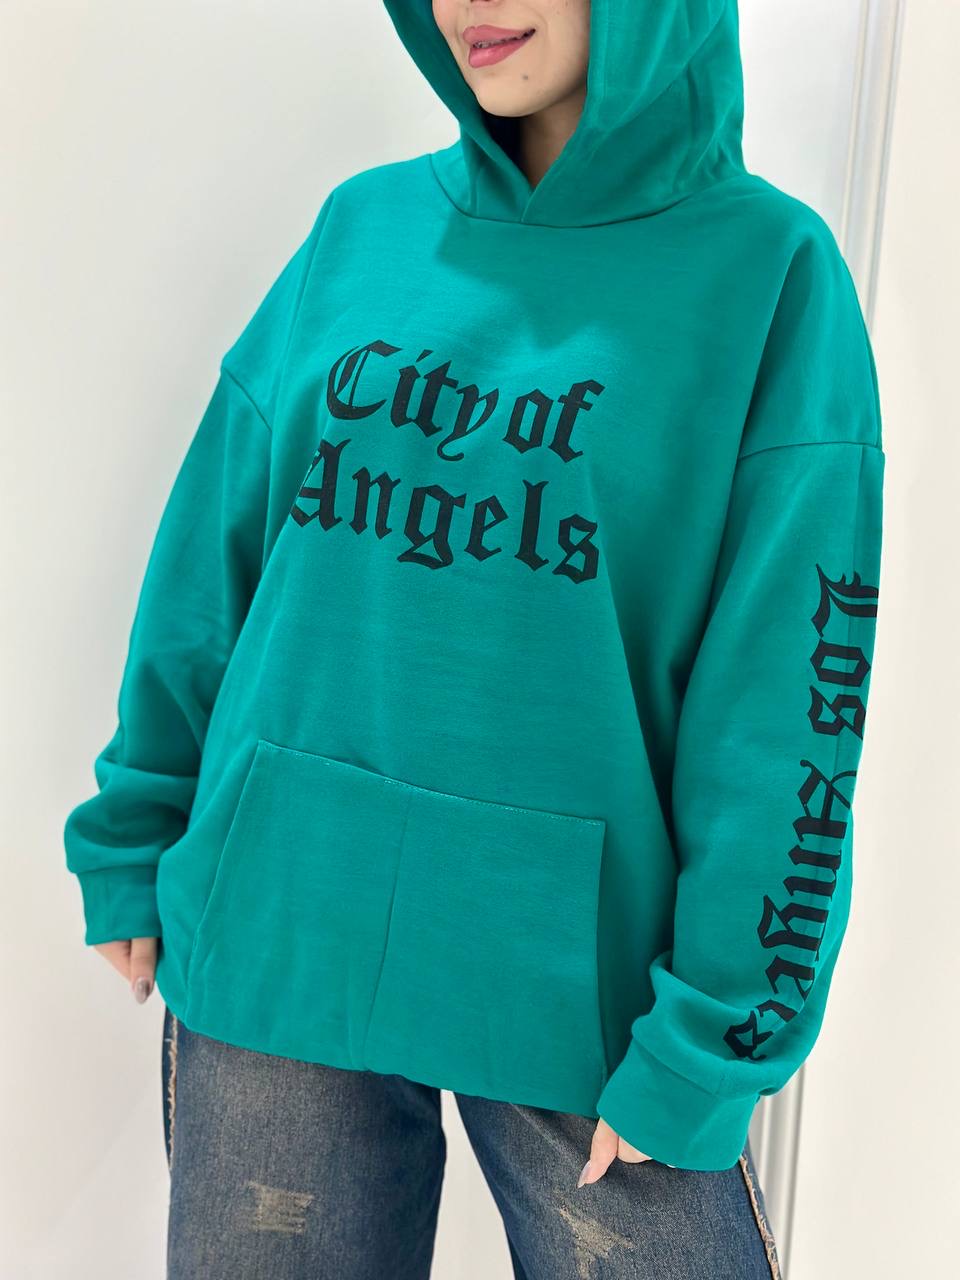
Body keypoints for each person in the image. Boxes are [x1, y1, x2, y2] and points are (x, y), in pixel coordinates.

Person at [64, 0, 885, 1275]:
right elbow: (213, 554)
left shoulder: (770, 274)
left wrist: (718, 1032)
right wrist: (134, 824)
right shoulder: (363, 226)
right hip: (283, 932)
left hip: (590, 999)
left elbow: (787, 701)